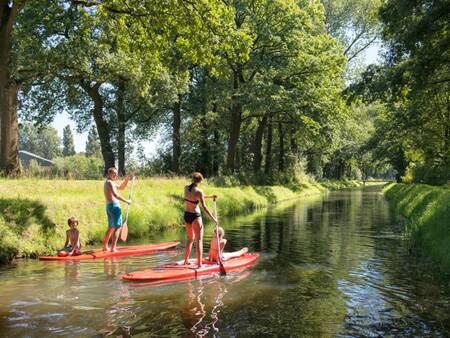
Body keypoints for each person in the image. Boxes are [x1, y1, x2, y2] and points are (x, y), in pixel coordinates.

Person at [183, 172, 218, 268]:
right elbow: (204, 207)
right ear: (200, 181)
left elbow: (194, 197)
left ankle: (185, 261)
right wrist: (214, 219)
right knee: (199, 240)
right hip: (195, 216)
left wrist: (210, 197)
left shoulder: (186, 188)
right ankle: (199, 264)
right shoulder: (199, 191)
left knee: (190, 239)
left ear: (192, 179)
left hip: (186, 215)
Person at [102, 167, 132, 252]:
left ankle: (105, 247)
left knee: (111, 227)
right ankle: (113, 248)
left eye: (116, 173)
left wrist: (126, 180)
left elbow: (122, 187)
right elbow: (116, 195)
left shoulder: (110, 182)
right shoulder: (110, 183)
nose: (115, 175)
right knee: (118, 227)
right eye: (113, 173)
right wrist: (127, 201)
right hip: (114, 207)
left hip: (109, 207)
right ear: (108, 174)